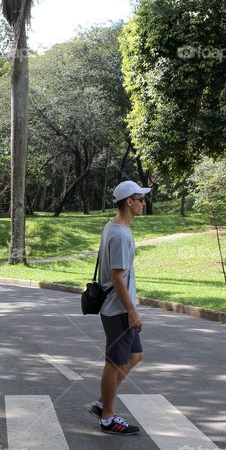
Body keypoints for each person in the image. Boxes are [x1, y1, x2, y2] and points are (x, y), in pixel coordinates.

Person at [88, 181, 151, 435]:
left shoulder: (113, 226)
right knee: (113, 363)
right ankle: (107, 417)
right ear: (129, 202)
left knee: (135, 355)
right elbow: (117, 277)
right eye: (140, 199)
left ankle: (103, 402)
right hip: (118, 310)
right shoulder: (121, 234)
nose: (143, 203)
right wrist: (132, 311)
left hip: (116, 307)